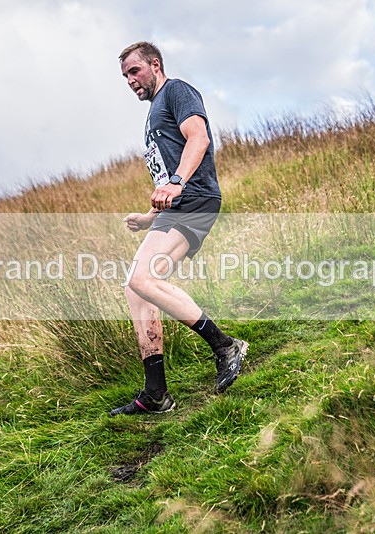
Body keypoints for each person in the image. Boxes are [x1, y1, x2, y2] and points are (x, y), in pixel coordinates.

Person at [109, 41, 249, 416]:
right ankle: (156, 393)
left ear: (155, 64)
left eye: (134, 71)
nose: (130, 81)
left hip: (196, 200)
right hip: (178, 206)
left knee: (143, 280)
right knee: (135, 289)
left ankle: (226, 346)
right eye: (125, 76)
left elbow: (199, 139)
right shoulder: (153, 111)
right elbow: (169, 180)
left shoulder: (177, 91)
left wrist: (175, 181)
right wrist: (149, 217)